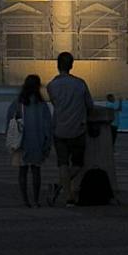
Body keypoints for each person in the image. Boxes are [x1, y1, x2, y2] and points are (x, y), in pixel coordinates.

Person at [45, 50, 93, 207]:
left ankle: (67, 196)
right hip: (77, 129)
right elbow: (89, 106)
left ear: (57, 66)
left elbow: (56, 104)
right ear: (72, 65)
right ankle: (61, 188)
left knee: (63, 163)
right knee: (78, 164)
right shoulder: (80, 83)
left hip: (59, 129)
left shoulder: (51, 86)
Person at [5, 74, 54, 207]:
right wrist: (47, 144)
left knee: (22, 172)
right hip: (37, 143)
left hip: (20, 143)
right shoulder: (42, 105)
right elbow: (48, 126)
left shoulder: (17, 103)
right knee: (36, 172)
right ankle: (36, 200)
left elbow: (9, 123)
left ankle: (25, 200)